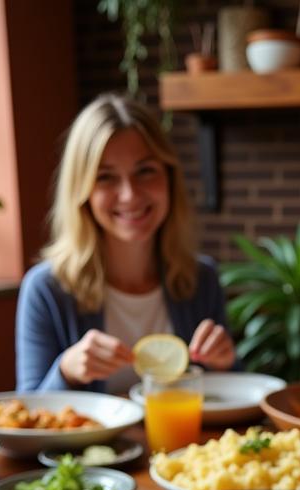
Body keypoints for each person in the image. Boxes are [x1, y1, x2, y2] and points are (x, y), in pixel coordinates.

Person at [16, 94, 235, 394]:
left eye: (145, 171)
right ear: (82, 191)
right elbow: (28, 420)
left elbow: (228, 399)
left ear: (169, 178)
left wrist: (224, 365)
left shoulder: (201, 278)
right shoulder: (46, 289)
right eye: (106, 177)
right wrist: (66, 370)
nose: (130, 194)